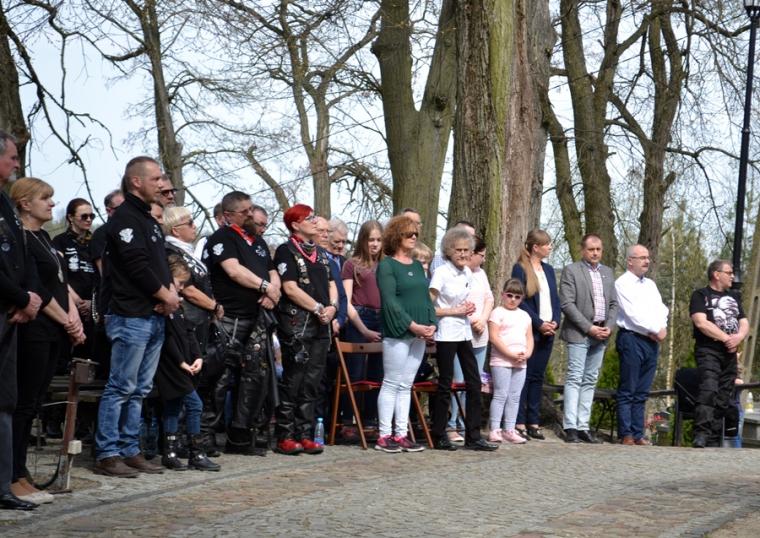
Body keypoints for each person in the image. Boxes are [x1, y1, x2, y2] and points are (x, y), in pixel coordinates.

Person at [94, 156, 180, 477]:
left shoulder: (148, 219)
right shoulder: (125, 219)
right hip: (130, 316)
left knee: (140, 389)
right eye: (156, 178)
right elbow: (136, 266)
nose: (162, 184)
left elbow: (160, 266)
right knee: (121, 386)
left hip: (153, 315)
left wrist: (168, 295)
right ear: (136, 181)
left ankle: (130, 449)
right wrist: (165, 295)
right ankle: (107, 453)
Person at [9, 177, 86, 504]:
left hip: (55, 329)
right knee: (24, 404)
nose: (52, 203)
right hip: (36, 328)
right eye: (45, 198)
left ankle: (21, 472)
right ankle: (13, 474)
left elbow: (60, 282)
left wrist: (74, 317)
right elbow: (38, 287)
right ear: (25, 203)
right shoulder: (22, 238)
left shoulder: (44, 238)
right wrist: (67, 320)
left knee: (35, 403)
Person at [203, 191, 281, 456]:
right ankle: (205, 436)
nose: (251, 213)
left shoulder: (257, 241)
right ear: (228, 215)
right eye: (245, 211)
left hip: (256, 319)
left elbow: (272, 271)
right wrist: (265, 286)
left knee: (254, 378)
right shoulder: (222, 237)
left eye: (251, 209)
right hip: (229, 320)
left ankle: (240, 436)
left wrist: (273, 291)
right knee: (220, 378)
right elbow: (233, 270)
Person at [274, 204, 338, 455]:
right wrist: (317, 308)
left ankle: (305, 433)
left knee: (313, 381)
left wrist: (332, 307)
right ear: (295, 225)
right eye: (308, 218)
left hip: (321, 325)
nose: (314, 221)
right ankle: (285, 435)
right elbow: (290, 288)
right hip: (298, 324)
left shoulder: (320, 253)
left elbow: (332, 284)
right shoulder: (286, 250)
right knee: (294, 379)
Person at [0, 132, 42, 511]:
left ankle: (2, 486)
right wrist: (21, 297)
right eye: (13, 157)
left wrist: (28, 298)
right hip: (7, 303)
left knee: (5, 400)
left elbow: (21, 256)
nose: (17, 163)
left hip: (10, 311)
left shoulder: (4, 203)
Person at [429, 227, 497, 452]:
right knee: (445, 383)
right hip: (446, 333)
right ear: (449, 251)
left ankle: (473, 436)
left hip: (465, 332)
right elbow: (429, 306)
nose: (463, 254)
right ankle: (439, 434)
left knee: (474, 383)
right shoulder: (441, 273)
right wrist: (453, 311)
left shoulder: (468, 273)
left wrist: (467, 308)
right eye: (458, 250)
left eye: (466, 250)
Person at [374, 216, 434, 453]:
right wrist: (412, 325)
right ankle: (384, 435)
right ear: (397, 236)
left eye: (415, 233)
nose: (413, 237)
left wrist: (431, 324)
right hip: (398, 332)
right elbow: (390, 301)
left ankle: (401, 434)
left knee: (406, 384)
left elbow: (425, 299)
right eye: (409, 233)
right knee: (391, 382)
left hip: (419, 334)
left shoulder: (417, 266)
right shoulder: (387, 266)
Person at [155, 254, 220, 472]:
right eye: (179, 283)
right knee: (194, 405)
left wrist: (197, 357)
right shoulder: (165, 308)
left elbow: (189, 334)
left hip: (183, 364)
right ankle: (196, 452)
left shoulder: (179, 308)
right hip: (171, 365)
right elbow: (168, 338)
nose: (182, 288)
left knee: (174, 406)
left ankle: (170, 452)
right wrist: (181, 361)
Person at [559, 233, 618, 444]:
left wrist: (609, 327)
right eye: (591, 249)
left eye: (598, 249)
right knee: (575, 377)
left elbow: (614, 304)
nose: (595, 253)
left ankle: (583, 426)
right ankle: (570, 427)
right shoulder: (571, 270)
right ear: (583, 250)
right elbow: (567, 304)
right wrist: (589, 328)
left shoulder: (608, 273)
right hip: (579, 333)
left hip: (601, 334)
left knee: (590, 380)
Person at [689, 259, 749, 448]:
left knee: (724, 396)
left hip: (730, 353)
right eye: (729, 272)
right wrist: (726, 338)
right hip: (709, 349)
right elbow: (701, 322)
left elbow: (744, 321)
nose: (732, 276)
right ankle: (701, 434)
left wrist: (738, 337)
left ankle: (714, 438)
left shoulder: (734, 297)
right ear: (716, 274)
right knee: (709, 389)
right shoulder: (700, 295)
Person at [614, 245, 668, 446]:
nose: (646, 261)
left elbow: (661, 309)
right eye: (642, 258)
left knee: (642, 390)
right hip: (632, 338)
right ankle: (626, 432)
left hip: (651, 341)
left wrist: (662, 327)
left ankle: (638, 433)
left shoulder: (650, 285)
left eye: (648, 257)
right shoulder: (622, 284)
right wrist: (654, 329)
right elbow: (633, 314)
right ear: (630, 261)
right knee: (628, 388)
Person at [512, 229, 561, 441]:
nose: (550, 247)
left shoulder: (548, 269)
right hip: (530, 330)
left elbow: (555, 299)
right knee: (525, 375)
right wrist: (539, 323)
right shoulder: (521, 268)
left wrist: (555, 321)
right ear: (535, 247)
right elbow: (520, 300)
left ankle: (534, 420)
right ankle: (519, 421)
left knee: (537, 378)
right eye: (547, 244)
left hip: (549, 331)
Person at [339, 220, 384, 439]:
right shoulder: (352, 264)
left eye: (378, 240)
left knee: (378, 374)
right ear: (363, 240)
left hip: (382, 318)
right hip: (359, 317)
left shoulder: (386, 265)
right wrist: (363, 329)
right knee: (355, 373)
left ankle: (370, 420)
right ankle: (348, 420)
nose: (374, 244)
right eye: (370, 239)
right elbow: (346, 301)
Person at [448, 236, 493, 442]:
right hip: (462, 333)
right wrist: (473, 319)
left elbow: (489, 299)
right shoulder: (458, 273)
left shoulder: (481, 274)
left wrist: (482, 320)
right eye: (481, 255)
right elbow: (456, 301)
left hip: (480, 335)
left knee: (474, 383)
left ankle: (468, 425)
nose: (483, 259)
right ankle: (452, 424)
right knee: (458, 381)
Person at [488, 279, 533, 444]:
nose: (513, 299)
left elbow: (529, 338)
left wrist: (527, 354)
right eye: (509, 295)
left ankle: (509, 429)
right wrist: (510, 354)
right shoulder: (497, 312)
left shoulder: (525, 315)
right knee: (500, 394)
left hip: (520, 362)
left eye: (517, 297)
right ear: (503, 295)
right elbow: (494, 337)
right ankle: (494, 429)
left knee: (514, 396)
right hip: (501, 360)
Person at [53, 198, 98, 360]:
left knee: (89, 354)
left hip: (93, 306)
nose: (88, 220)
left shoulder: (96, 241)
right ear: (70, 217)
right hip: (69, 303)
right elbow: (58, 274)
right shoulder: (60, 241)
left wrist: (92, 302)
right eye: (84, 216)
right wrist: (77, 301)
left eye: (91, 216)